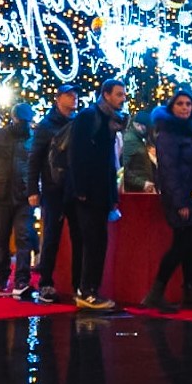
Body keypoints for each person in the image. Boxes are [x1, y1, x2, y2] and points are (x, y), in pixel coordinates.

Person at [141, 88, 192, 312]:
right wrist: (180, 202)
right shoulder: (168, 134)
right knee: (180, 246)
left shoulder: (189, 132)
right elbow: (169, 171)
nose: (185, 108)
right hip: (183, 199)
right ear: (171, 107)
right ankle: (155, 293)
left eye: (188, 104)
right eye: (180, 104)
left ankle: (190, 291)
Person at [64, 78, 128, 311]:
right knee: (91, 242)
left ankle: (90, 289)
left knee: (98, 242)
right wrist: (80, 189)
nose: (123, 99)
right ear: (106, 94)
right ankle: (86, 290)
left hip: (100, 192)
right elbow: (78, 155)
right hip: (87, 193)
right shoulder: (89, 117)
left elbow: (108, 163)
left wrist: (112, 197)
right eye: (119, 94)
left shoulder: (109, 120)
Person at [0, 103, 39, 299]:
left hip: (23, 195)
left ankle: (21, 279)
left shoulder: (33, 138)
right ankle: (3, 275)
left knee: (23, 236)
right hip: (1, 194)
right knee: (0, 238)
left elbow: (40, 163)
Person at [27, 84, 78, 302]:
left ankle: (78, 285)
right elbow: (35, 159)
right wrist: (32, 189)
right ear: (58, 98)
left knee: (79, 237)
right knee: (51, 237)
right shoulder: (47, 126)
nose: (73, 98)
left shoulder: (77, 123)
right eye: (68, 95)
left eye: (75, 95)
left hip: (75, 188)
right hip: (53, 188)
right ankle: (46, 282)